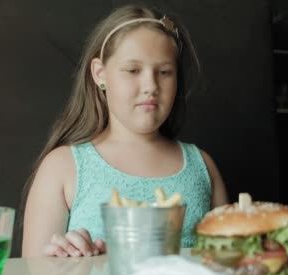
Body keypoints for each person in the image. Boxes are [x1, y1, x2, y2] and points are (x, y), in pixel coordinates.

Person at [21, 5, 228, 257]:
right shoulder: (61, 167)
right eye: (132, 70)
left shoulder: (203, 168)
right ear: (100, 74)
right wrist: (61, 261)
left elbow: (228, 267)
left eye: (164, 72)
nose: (151, 85)